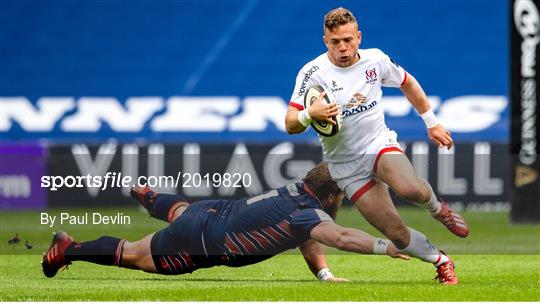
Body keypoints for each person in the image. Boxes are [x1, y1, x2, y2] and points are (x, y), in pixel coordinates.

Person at [284, 7, 468, 285]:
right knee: (397, 235)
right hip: (345, 165)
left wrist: (432, 122)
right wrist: (311, 114)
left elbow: (408, 83)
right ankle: (441, 261)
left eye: (348, 40)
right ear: (325, 41)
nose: (343, 48)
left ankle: (437, 209)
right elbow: (289, 123)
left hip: (377, 143)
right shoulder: (313, 72)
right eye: (335, 42)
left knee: (409, 188)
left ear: (359, 37)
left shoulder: (376, 60)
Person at [42, 163, 409, 282]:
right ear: (332, 196)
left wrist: (324, 276)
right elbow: (341, 236)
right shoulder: (311, 213)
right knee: (135, 254)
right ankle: (66, 250)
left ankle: (152, 198)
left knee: (182, 211)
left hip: (212, 212)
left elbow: (308, 235)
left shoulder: (300, 193)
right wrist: (388, 246)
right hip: (205, 239)